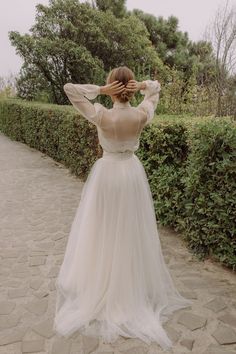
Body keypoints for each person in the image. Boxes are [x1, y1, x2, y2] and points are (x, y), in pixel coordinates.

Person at [53, 66, 192, 351]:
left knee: (103, 230)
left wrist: (102, 91)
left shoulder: (102, 115)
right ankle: (128, 288)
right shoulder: (141, 115)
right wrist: (140, 85)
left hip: (106, 175)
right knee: (129, 230)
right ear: (129, 90)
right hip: (131, 174)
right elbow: (156, 88)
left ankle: (103, 282)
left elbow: (70, 89)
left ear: (113, 88)